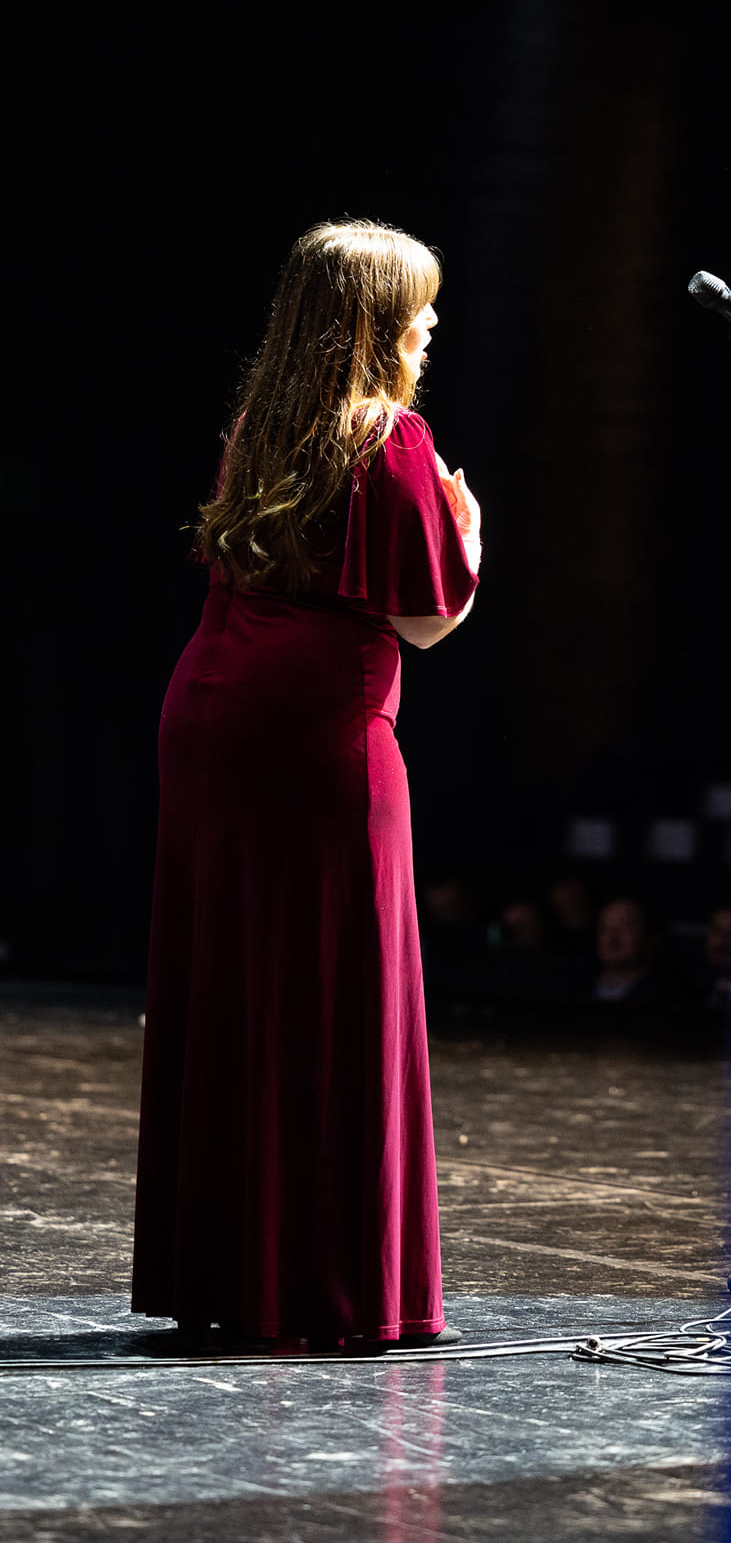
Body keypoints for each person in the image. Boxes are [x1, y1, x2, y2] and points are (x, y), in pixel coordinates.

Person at [131, 220, 482, 1348]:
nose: (432, 323)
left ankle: (226, 1273)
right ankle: (328, 1285)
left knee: (234, 983)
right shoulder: (392, 437)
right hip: (319, 732)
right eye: (418, 306)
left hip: (210, 711)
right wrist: (469, 537)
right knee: (336, 984)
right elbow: (426, 619)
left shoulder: (258, 428)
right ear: (374, 324)